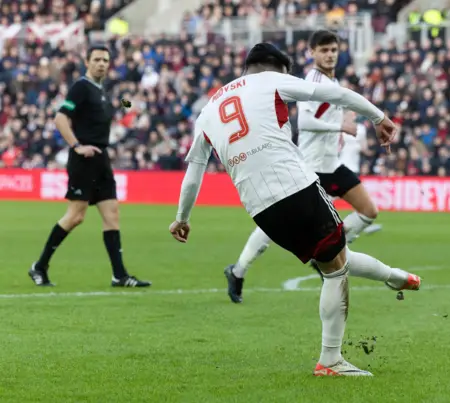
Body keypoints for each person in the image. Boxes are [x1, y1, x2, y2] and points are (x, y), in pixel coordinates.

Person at [168, 43, 421, 376]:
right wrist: (379, 117)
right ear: (272, 68)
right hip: (295, 186)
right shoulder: (271, 81)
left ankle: (394, 277)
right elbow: (338, 94)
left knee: (332, 256)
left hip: (260, 209)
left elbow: (193, 174)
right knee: (335, 270)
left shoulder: (207, 111)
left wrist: (182, 218)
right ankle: (330, 360)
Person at [224, 30, 383, 302]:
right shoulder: (313, 79)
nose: (330, 55)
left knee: (369, 211)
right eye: (324, 50)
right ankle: (238, 271)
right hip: (309, 168)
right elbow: (305, 122)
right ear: (312, 53)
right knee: (271, 229)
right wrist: (340, 125)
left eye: (333, 50)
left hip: (332, 165)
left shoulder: (332, 80)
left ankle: (331, 252)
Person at [28, 45, 151, 288]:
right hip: (83, 159)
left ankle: (120, 275)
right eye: (97, 59)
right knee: (75, 216)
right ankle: (39, 266)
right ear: (87, 61)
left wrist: (130, 103)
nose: (102, 63)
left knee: (112, 214)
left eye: (106, 60)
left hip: (101, 159)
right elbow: (60, 117)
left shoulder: (103, 91)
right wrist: (76, 146)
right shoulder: (80, 88)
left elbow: (118, 104)